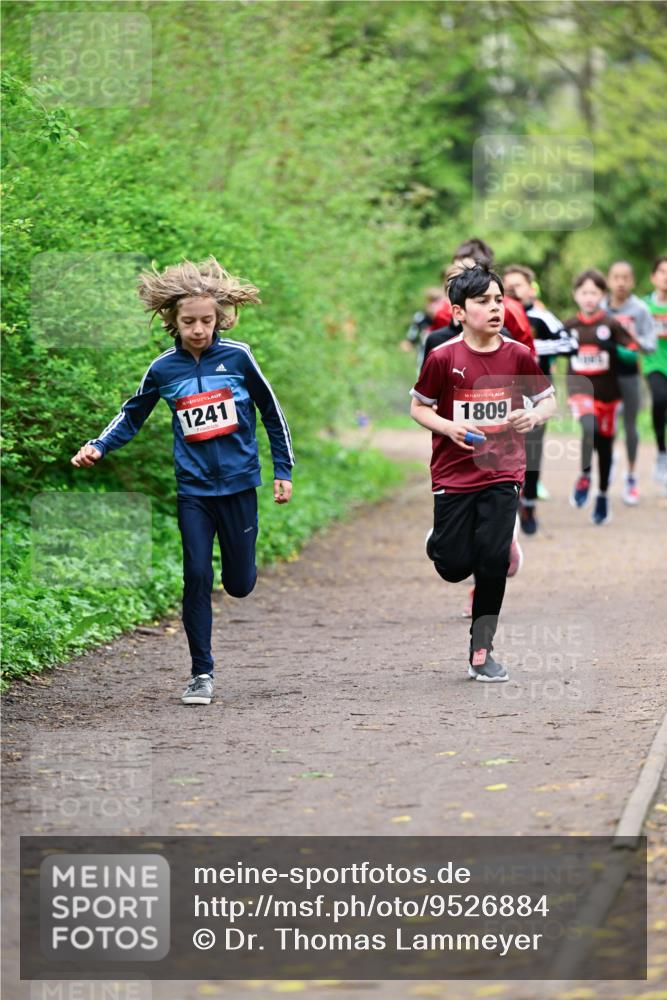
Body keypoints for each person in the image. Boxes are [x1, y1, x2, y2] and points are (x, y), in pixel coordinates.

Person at [71, 256, 294, 706]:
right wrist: (99, 445)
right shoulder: (162, 369)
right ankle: (201, 673)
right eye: (189, 321)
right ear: (173, 321)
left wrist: (282, 471)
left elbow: (272, 414)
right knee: (195, 574)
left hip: (238, 485)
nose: (198, 329)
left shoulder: (238, 358)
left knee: (240, 584)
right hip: (193, 489)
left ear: (220, 319)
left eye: (207, 321)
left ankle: (236, 578)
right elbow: (132, 415)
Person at [410, 265, 556, 682]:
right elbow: (418, 406)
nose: (495, 308)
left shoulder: (517, 355)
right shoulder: (443, 358)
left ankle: (482, 648)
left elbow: (548, 399)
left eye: (499, 300)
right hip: (453, 475)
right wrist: (448, 426)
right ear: (458, 311)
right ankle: (441, 540)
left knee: (491, 561)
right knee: (453, 566)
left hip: (502, 469)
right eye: (483, 302)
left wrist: (533, 413)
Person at [503, 264, 578, 534]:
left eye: (518, 284)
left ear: (530, 288)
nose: (512, 288)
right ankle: (505, 506)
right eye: (508, 284)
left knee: (532, 452)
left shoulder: (542, 318)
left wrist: (532, 349)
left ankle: (529, 505)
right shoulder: (497, 314)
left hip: (536, 395)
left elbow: (570, 343)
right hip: (503, 394)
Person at [564, 268, 634, 526]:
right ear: (576, 295)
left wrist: (614, 350)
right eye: (584, 293)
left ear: (602, 295)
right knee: (588, 426)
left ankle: (602, 495)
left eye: (594, 292)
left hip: (609, 396)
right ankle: (584, 476)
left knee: (604, 446)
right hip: (580, 391)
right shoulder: (570, 325)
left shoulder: (611, 324)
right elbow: (551, 349)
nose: (589, 298)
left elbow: (633, 353)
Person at [602, 261, 655, 505]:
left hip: (629, 375)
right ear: (609, 280)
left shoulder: (640, 310)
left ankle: (631, 477)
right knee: (605, 425)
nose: (620, 282)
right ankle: (608, 463)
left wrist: (632, 342)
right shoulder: (600, 308)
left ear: (632, 281)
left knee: (630, 426)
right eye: (616, 277)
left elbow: (650, 344)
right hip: (603, 376)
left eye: (625, 277)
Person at [641, 255, 667, 490]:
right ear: (653, 277)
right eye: (662, 271)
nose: (666, 276)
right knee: (660, 399)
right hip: (654, 364)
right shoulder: (644, 306)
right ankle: (661, 451)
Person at [401, 287, 446, 370]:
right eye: (430, 301)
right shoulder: (420, 317)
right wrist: (408, 343)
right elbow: (411, 338)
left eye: (436, 301)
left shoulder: (449, 319)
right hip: (424, 360)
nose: (432, 305)